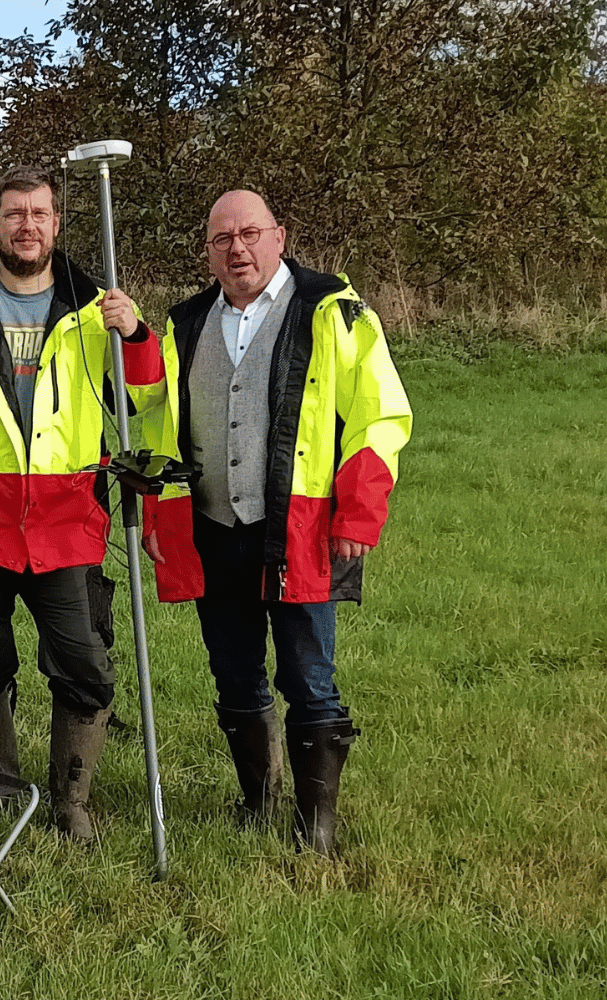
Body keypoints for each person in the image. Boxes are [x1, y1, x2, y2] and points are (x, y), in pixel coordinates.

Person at [107, 190, 413, 855]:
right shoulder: (185, 323)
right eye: (222, 239)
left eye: (250, 234)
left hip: (301, 530)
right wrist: (160, 508)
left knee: (309, 676)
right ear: (208, 250)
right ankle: (257, 798)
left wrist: (359, 511)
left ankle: (316, 825)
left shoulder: (334, 313)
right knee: (234, 672)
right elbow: (159, 417)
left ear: (279, 236)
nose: (237, 249)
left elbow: (379, 417)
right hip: (214, 528)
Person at [0, 166, 169, 840]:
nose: (26, 226)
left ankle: (70, 804)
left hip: (66, 527)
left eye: (39, 214)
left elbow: (148, 402)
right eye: (14, 214)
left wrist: (135, 337)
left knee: (84, 665)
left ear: (57, 222)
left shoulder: (98, 314)